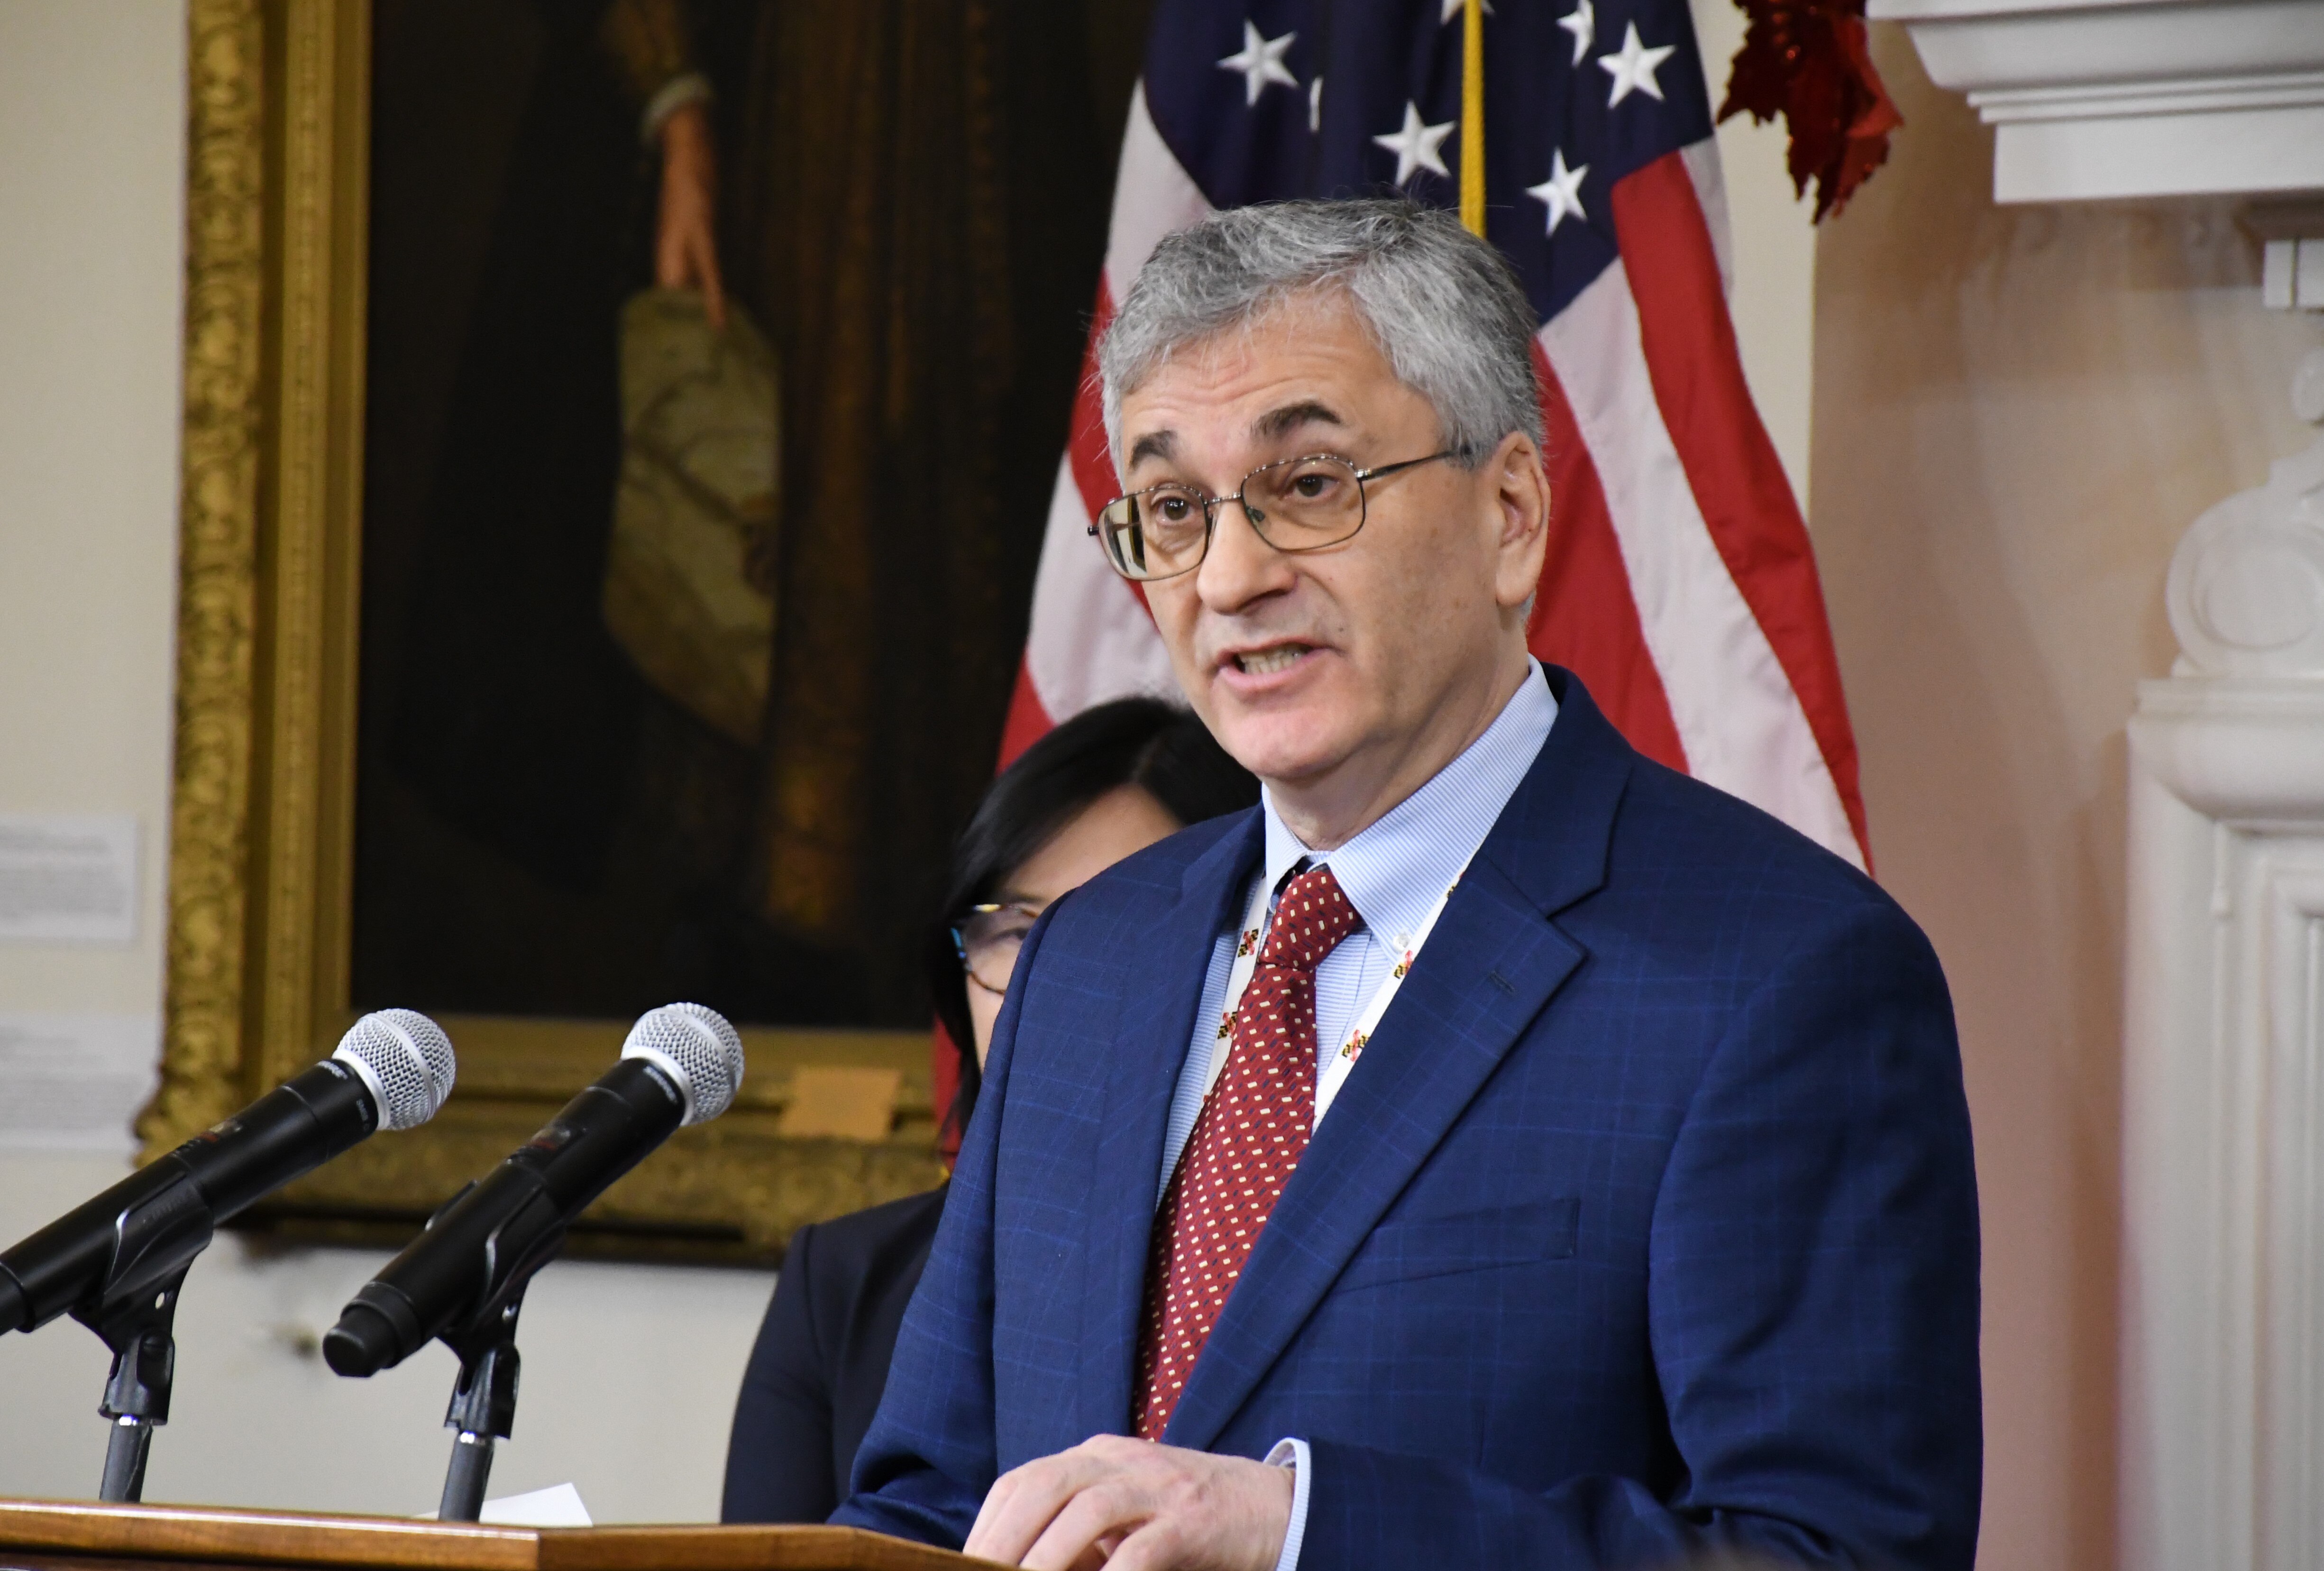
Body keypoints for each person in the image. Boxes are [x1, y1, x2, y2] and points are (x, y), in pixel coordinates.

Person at [833, 200, 1982, 1570]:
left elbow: (1835, 1553)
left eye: (1309, 484)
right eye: (1171, 509)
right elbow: (922, 1508)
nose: (1231, 576)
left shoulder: (1780, 975)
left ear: (1509, 514)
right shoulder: (1087, 957)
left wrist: (1305, 1533)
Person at [721, 698, 1259, 1524]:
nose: (1053, 977)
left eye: (1119, 920)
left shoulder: (1275, 1262)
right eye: (1015, 929)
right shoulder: (843, 1282)